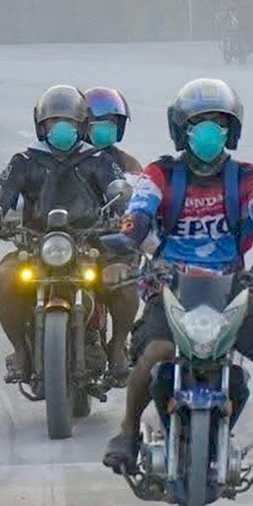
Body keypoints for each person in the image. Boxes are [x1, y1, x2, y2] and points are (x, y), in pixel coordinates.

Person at [102, 78, 253, 483]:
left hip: (233, 290)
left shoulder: (249, 178)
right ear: (182, 130)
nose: (211, 131)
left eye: (219, 122)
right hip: (169, 289)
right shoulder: (161, 174)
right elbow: (138, 216)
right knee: (157, 349)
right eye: (200, 122)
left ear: (232, 130)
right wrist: (124, 252)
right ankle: (127, 431)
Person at [0, 84, 128, 383]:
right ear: (41, 125)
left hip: (90, 240)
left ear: (81, 125)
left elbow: (119, 189)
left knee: (123, 276)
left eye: (69, 122)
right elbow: (3, 192)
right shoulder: (25, 161)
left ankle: (118, 346)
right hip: (36, 244)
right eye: (53, 122)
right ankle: (20, 350)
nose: (61, 128)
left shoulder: (97, 159)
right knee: (6, 277)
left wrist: (124, 213)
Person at [81, 86, 143, 380]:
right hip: (67, 246)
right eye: (98, 122)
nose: (105, 129)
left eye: (111, 123)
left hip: (112, 248)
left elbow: (143, 202)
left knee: (127, 285)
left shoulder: (128, 164)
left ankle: (117, 346)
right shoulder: (62, 160)